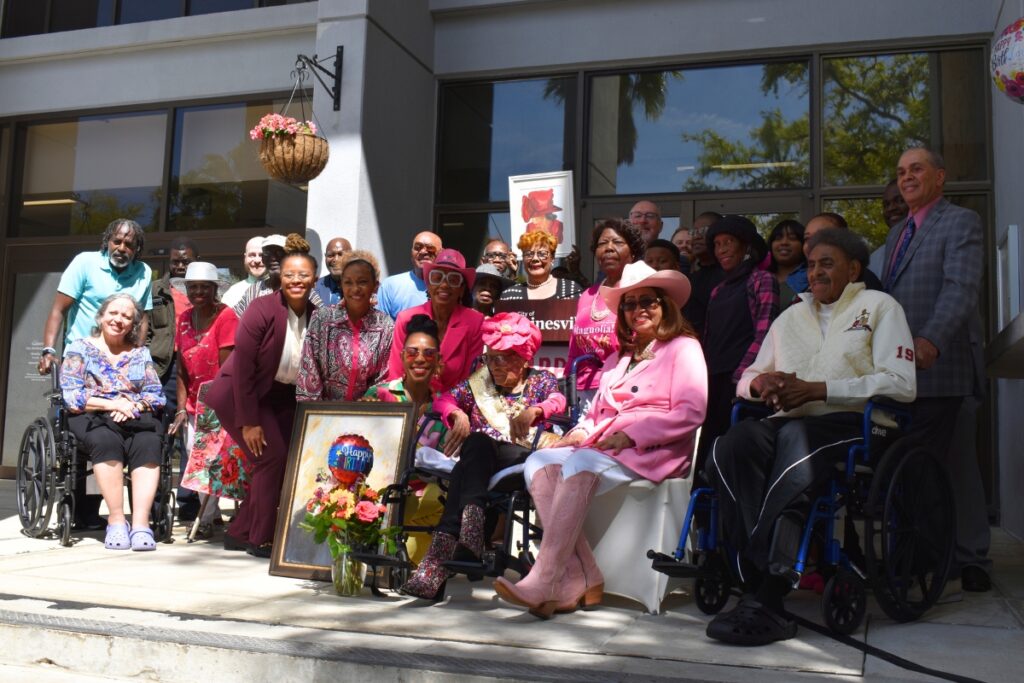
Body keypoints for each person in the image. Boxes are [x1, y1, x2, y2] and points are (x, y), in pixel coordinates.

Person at [705, 228, 917, 645]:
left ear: (853, 269)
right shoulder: (791, 317)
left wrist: (820, 390)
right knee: (732, 445)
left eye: (827, 263)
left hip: (853, 422)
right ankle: (752, 574)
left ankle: (770, 591)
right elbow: (746, 377)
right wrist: (762, 383)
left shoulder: (879, 307)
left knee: (796, 445)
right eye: (811, 264)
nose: (815, 272)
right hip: (788, 420)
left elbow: (901, 383)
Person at [494, 262, 707, 618]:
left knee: (581, 463)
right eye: (629, 303)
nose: (638, 309)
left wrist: (632, 435)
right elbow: (595, 414)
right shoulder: (617, 357)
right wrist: (577, 433)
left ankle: (547, 576)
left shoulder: (684, 348)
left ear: (665, 305)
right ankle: (583, 573)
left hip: (654, 450)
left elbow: (692, 411)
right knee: (539, 462)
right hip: (603, 445)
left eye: (648, 301)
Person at [883, 147, 991, 592]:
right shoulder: (896, 236)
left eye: (917, 169)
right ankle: (933, 552)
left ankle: (971, 558)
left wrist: (931, 340)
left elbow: (960, 288)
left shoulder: (959, 222)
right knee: (919, 468)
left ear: (940, 177)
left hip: (942, 364)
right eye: (901, 172)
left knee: (958, 465)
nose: (907, 177)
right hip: (902, 373)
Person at [401, 313, 567, 600]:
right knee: (477, 443)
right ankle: (472, 523)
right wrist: (455, 413)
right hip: (479, 458)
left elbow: (558, 400)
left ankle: (435, 565)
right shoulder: (481, 380)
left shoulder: (541, 381)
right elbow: (445, 399)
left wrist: (535, 411)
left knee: (469, 460)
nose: (495, 365)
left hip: (517, 456)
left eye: (504, 359)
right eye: (492, 358)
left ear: (524, 359)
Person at [38, 217, 154, 530]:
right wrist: (49, 350)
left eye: (129, 244)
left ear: (137, 249)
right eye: (117, 241)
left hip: (121, 363)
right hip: (83, 361)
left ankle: (115, 511)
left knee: (126, 431)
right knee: (84, 434)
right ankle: (82, 509)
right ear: (107, 241)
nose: (122, 247)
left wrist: (136, 355)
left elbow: (141, 320)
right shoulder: (85, 263)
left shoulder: (142, 272)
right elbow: (58, 309)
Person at [205, 241, 318, 557]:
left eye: (303, 275)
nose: (296, 281)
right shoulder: (262, 309)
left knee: (283, 460)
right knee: (270, 457)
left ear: (314, 279)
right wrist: (249, 422)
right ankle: (261, 539)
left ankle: (240, 531)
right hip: (238, 394)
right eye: (289, 275)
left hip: (279, 396)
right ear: (280, 277)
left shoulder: (317, 315)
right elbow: (243, 369)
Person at [60, 293, 166, 551]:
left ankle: (141, 524)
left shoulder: (140, 354)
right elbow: (72, 395)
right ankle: (116, 521)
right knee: (105, 441)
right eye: (114, 313)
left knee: (149, 442)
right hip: (90, 416)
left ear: (133, 324)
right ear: (102, 316)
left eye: (126, 316)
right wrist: (112, 404)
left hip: (133, 416)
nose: (118, 320)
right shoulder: (79, 349)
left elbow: (156, 394)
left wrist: (134, 405)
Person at [362, 314, 449, 565]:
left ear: (438, 361)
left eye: (428, 353)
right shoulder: (379, 395)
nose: (420, 359)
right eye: (412, 352)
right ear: (402, 357)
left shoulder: (445, 406)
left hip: (427, 499)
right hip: (384, 493)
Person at [696, 215, 779, 470]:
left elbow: (765, 335)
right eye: (717, 244)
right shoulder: (718, 290)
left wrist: (740, 377)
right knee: (702, 449)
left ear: (746, 246)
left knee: (725, 451)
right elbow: (710, 338)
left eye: (728, 242)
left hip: (739, 381)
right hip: (711, 379)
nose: (721, 250)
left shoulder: (762, 280)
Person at [169, 262, 238, 539]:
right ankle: (210, 514)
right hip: (192, 402)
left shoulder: (227, 317)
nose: (198, 292)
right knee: (195, 460)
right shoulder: (184, 318)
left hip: (220, 400)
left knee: (212, 460)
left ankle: (207, 518)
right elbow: (183, 367)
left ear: (215, 289)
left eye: (204, 287)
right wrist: (180, 409)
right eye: (193, 286)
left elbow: (228, 370)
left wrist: (216, 408)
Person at [566, 219, 645, 413]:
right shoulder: (587, 295)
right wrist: (566, 392)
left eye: (617, 243)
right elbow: (574, 350)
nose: (609, 248)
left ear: (632, 252)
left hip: (623, 393)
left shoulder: (639, 294)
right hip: (583, 394)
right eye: (602, 244)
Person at [296, 250, 393, 402]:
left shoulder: (385, 325)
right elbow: (309, 372)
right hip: (323, 414)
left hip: (365, 414)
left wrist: (371, 404)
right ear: (341, 285)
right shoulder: (322, 319)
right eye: (348, 282)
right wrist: (314, 415)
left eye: (362, 282)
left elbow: (383, 376)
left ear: (375, 286)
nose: (355, 289)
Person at [150, 238, 199, 522]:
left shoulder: (203, 291)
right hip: (164, 370)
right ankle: (157, 500)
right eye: (176, 260)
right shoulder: (156, 289)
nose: (181, 265)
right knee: (163, 436)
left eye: (187, 261)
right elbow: (143, 327)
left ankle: (188, 502)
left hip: (195, 368)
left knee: (191, 438)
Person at [388, 249, 485, 392]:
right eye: (437, 277)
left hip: (455, 407)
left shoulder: (474, 322)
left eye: (453, 279)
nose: (444, 285)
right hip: (409, 404)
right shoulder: (406, 318)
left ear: (462, 289)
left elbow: (471, 377)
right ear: (428, 284)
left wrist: (447, 408)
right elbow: (396, 372)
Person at [232, 234, 323, 317]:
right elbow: (234, 318)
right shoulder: (253, 291)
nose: (273, 258)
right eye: (267, 253)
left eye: (279, 253)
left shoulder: (300, 288)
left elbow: (323, 318)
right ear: (263, 259)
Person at [377, 231, 443, 319]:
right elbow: (380, 328)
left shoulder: (448, 288)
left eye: (430, 248)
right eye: (418, 247)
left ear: (441, 252)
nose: (423, 252)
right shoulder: (390, 285)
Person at [500, 231, 582, 301]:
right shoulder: (509, 296)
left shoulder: (571, 290)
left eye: (542, 254)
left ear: (552, 258)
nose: (535, 258)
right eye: (529, 254)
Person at [682, 211, 726, 338]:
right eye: (694, 232)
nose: (696, 237)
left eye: (703, 231)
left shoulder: (731, 277)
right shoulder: (689, 279)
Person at [869, 180, 908, 278]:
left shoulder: (933, 247)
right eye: (886, 205)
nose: (891, 208)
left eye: (900, 201)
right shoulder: (875, 258)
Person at [766, 219, 807, 309]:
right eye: (778, 238)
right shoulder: (760, 279)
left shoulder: (811, 278)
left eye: (792, 238)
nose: (784, 242)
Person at [222, 237, 266, 309]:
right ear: (245, 258)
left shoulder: (282, 289)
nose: (257, 260)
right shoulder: (232, 293)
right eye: (252, 255)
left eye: (261, 255)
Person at [313, 237, 353, 306]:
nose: (336, 259)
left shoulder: (363, 288)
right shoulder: (315, 288)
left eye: (341, 254)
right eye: (330, 255)